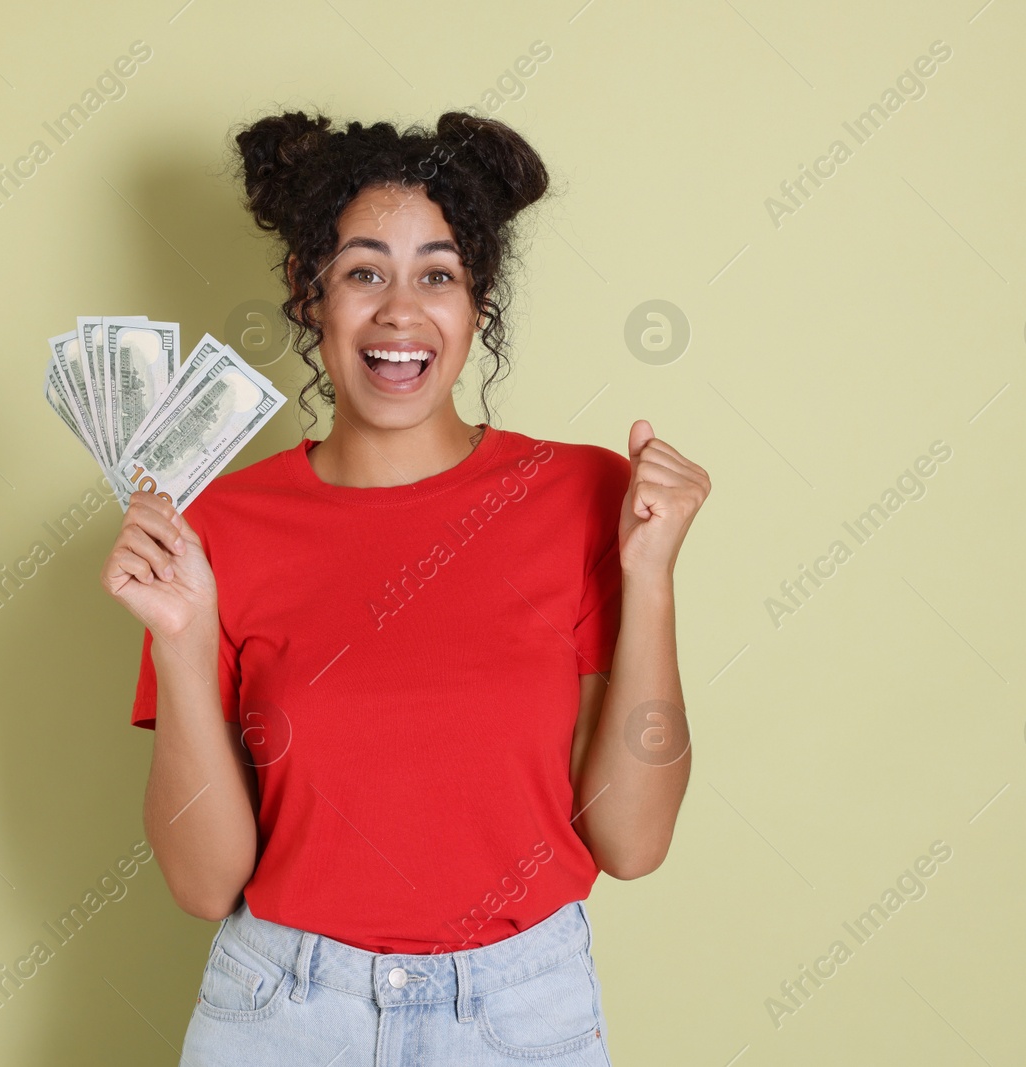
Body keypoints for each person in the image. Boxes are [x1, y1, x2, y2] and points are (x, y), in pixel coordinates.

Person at [100, 109, 710, 1066]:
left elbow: (631, 842)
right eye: (362, 271)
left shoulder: (584, 496)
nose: (399, 310)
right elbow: (204, 882)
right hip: (280, 1011)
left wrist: (652, 576)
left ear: (477, 301)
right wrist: (181, 639)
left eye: (438, 273)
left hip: (517, 1014)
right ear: (309, 294)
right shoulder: (214, 528)